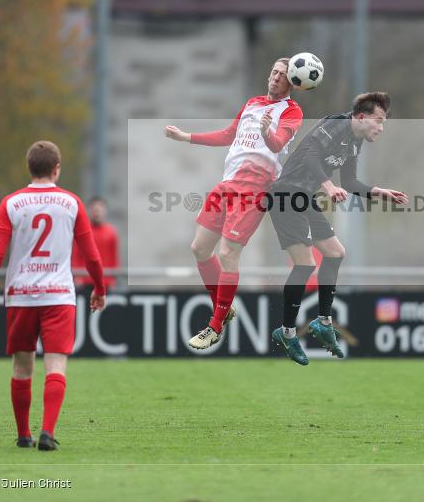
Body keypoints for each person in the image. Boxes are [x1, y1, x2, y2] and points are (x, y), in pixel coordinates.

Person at [0, 141, 106, 451]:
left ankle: (24, 435)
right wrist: (100, 288)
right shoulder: (72, 203)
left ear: (29, 168)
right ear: (57, 169)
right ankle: (47, 433)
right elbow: (92, 256)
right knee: (55, 366)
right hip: (59, 295)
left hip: (21, 295)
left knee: (21, 367)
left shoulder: (11, 203)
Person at [164, 58, 303, 349]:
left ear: (294, 83)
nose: (276, 77)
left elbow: (278, 144)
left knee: (228, 253)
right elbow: (229, 135)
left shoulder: (292, 111)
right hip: (227, 183)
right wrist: (185, 137)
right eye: (274, 71)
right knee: (200, 249)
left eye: (283, 75)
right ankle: (223, 307)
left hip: (255, 187)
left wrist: (267, 133)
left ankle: (214, 327)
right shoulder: (252, 102)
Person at [267, 92, 408, 365]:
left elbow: (351, 181)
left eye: (384, 123)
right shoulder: (337, 124)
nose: (381, 127)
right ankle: (286, 332)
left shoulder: (354, 143)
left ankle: (323, 321)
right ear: (361, 117)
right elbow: (309, 155)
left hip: (303, 196)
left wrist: (379, 192)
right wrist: (328, 186)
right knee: (305, 265)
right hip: (285, 194)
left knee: (335, 252)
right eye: (378, 121)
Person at [71, 196, 119, 294]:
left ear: (105, 211)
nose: (97, 212)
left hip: (105, 282)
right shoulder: (82, 231)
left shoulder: (111, 232)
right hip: (85, 281)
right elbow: (75, 255)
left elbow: (114, 257)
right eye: (94, 209)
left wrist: (113, 278)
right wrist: (77, 276)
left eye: (100, 209)